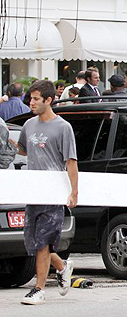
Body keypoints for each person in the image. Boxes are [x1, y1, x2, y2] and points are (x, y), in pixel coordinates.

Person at [12, 80, 78, 305]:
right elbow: (23, 148)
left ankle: (38, 289)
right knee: (33, 242)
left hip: (53, 192)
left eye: (36, 99)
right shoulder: (29, 125)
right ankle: (61, 266)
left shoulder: (63, 127)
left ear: (48, 101)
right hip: (34, 190)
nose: (31, 102)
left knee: (43, 242)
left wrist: (73, 192)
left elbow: (71, 162)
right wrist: (10, 143)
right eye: (31, 98)